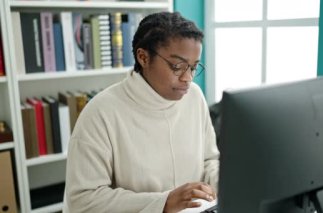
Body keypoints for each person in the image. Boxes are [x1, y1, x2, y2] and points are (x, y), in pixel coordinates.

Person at [63, 12, 220, 213]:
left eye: (194, 67)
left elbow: (208, 160)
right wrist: (164, 202)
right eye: (177, 66)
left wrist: (225, 183)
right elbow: (83, 200)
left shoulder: (194, 97)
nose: (188, 78)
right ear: (144, 57)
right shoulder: (100, 112)